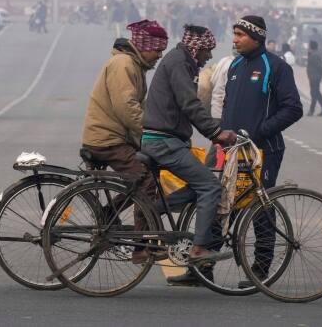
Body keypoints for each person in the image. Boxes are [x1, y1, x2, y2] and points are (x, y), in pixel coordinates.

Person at [141, 25, 237, 267]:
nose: (210, 57)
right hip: (163, 141)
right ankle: (198, 249)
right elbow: (190, 104)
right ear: (198, 48)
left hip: (167, 139)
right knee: (211, 187)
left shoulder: (183, 62)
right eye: (208, 51)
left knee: (202, 184)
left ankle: (152, 209)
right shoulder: (179, 63)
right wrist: (216, 133)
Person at [222, 15, 303, 286]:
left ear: (256, 37)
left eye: (240, 35)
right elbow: (227, 105)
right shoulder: (235, 65)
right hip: (234, 151)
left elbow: (293, 108)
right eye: (234, 34)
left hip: (264, 150)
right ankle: (204, 266)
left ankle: (261, 268)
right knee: (224, 204)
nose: (235, 40)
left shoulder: (275, 67)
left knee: (260, 208)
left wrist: (259, 131)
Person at [82, 20, 169, 264]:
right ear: (144, 45)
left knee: (141, 175)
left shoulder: (134, 65)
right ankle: (142, 246)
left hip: (116, 136)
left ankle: (111, 211)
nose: (159, 55)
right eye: (157, 50)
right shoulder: (124, 64)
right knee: (146, 179)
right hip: (106, 139)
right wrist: (150, 133)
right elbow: (127, 108)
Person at [306, 41, 322, 116]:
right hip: (313, 76)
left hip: (315, 77)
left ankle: (313, 110)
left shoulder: (314, 56)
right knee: (316, 93)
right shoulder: (314, 54)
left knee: (314, 93)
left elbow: (320, 66)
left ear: (311, 47)